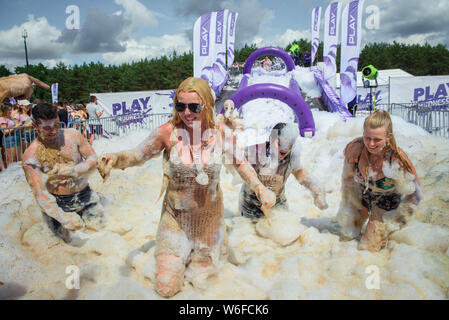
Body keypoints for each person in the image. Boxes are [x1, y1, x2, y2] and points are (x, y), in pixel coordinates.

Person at [97, 77, 276, 298]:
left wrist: (259, 187)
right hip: (175, 221)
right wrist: (115, 158)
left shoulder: (220, 132)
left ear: (207, 105)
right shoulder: (167, 132)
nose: (187, 113)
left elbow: (240, 162)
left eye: (194, 107)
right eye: (180, 106)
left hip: (209, 221)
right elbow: (137, 155)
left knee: (203, 285)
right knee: (165, 287)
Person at [336, 110, 423, 252]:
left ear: (388, 136)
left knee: (368, 248)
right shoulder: (354, 149)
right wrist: (347, 206)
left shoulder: (397, 159)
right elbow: (347, 181)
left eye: (377, 139)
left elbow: (416, 194)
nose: (371, 144)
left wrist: (398, 220)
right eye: (367, 138)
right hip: (363, 192)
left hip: (387, 199)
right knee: (346, 235)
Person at [22, 102, 105, 243]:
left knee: (103, 235)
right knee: (63, 248)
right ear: (35, 127)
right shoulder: (31, 156)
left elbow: (93, 159)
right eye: (47, 128)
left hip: (85, 194)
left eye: (56, 125)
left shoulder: (73, 135)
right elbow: (39, 193)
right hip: (57, 203)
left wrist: (76, 170)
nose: (53, 131)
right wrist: (62, 217)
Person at [240, 122, 328, 219]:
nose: (284, 148)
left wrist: (316, 189)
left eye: (289, 144)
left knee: (287, 230)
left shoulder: (292, 157)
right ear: (271, 139)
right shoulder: (255, 152)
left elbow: (300, 174)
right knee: (250, 232)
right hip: (252, 205)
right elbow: (235, 163)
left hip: (278, 203)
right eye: (279, 143)